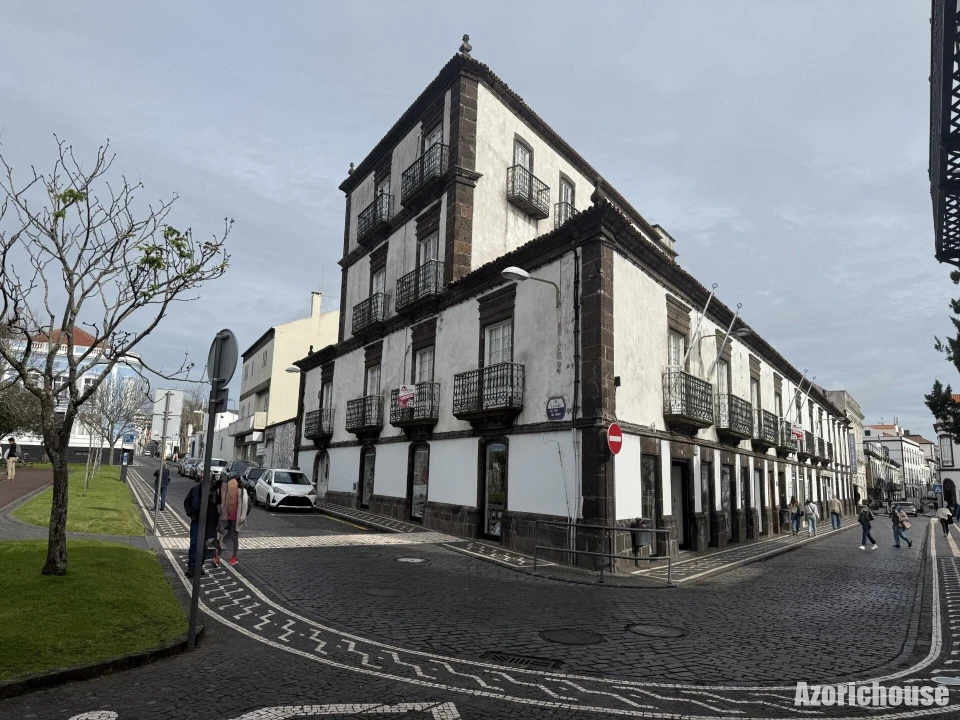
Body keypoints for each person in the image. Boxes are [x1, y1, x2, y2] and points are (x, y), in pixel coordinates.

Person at [183, 475, 220, 577]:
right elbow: (186, 502)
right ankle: (192, 567)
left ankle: (199, 566)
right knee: (194, 544)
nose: (203, 479)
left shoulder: (214, 492)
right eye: (203, 477)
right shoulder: (195, 490)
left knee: (205, 546)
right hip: (196, 521)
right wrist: (190, 514)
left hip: (209, 523)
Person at [215, 470, 248, 567]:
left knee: (234, 537)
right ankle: (217, 556)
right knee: (219, 536)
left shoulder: (242, 491)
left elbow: (245, 504)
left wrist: (242, 516)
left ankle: (234, 556)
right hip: (225, 517)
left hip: (235, 518)